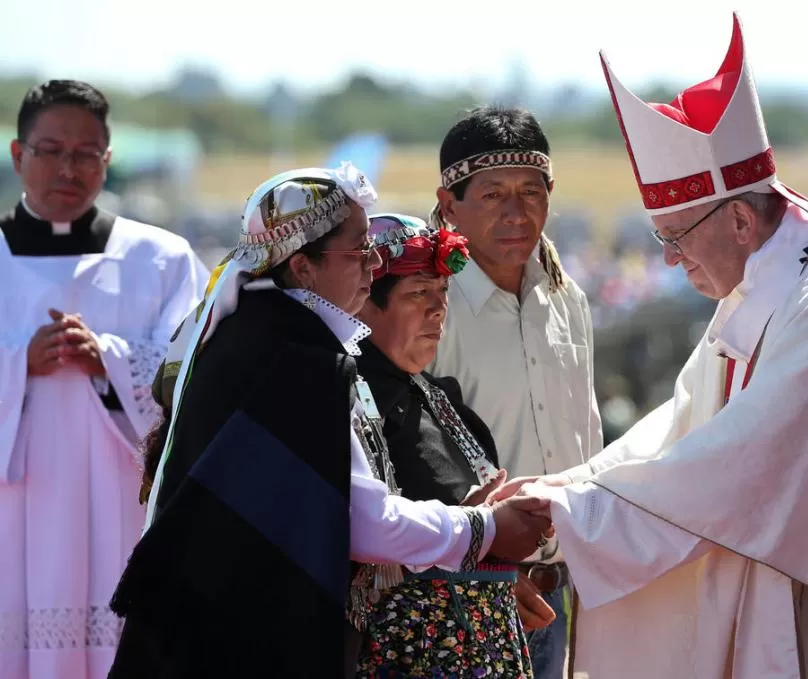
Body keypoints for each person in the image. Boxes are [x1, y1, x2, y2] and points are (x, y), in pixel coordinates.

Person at [494, 14, 808, 678]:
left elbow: (732, 466)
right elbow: (684, 424)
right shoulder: (763, 285)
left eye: (675, 236)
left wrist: (559, 520)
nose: (667, 260)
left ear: (741, 219)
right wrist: (563, 489)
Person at [107, 166, 551, 679]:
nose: (371, 265)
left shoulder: (261, 337)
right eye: (359, 250)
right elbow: (364, 521)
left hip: (211, 628)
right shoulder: (296, 361)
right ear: (303, 267)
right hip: (233, 639)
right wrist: (487, 527)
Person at [0, 79, 208, 679]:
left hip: (120, 510)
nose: (69, 168)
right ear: (20, 155)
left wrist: (112, 360)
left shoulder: (162, 260)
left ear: (107, 161)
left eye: (86, 154)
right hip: (15, 514)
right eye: (51, 150)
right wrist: (19, 363)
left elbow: (198, 370)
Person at [428, 106, 603, 678]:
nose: (515, 212)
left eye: (531, 192)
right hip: (468, 594)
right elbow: (408, 460)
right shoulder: (429, 308)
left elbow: (587, 440)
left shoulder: (566, 298)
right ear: (449, 203)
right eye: (492, 194)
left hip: (564, 592)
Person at [353, 213, 555, 678]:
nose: (438, 310)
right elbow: (369, 531)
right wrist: (480, 529)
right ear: (365, 305)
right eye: (418, 294)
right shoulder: (354, 409)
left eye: (442, 294)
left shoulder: (438, 396)